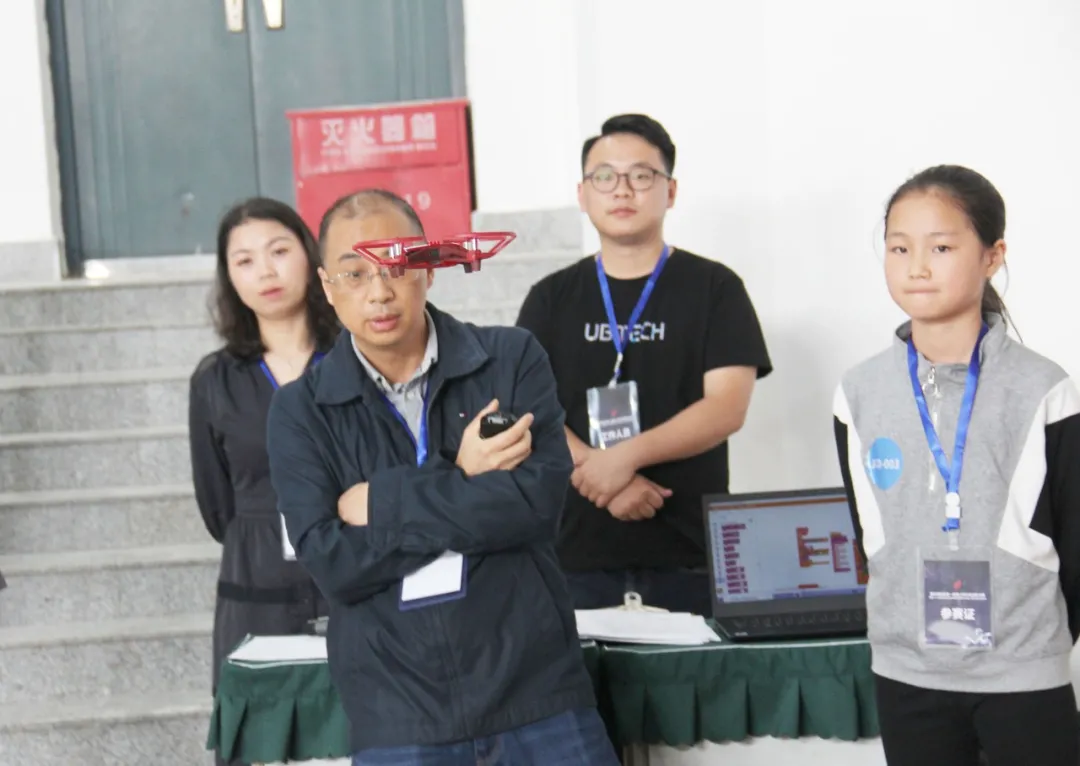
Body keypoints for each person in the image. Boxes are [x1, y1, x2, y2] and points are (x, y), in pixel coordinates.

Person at [265, 189, 618, 765]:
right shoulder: (301, 411)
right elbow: (334, 564)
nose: (379, 292)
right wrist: (461, 473)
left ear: (428, 269)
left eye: (397, 267)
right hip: (398, 712)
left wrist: (380, 503)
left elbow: (535, 506)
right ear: (327, 287)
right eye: (354, 274)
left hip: (537, 692)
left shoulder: (509, 359)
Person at [832, 164, 1080, 766]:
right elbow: (867, 532)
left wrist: (1037, 643)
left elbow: (1075, 542)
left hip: (1023, 674)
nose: (917, 266)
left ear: (993, 256)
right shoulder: (858, 392)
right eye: (899, 248)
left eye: (941, 248)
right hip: (906, 673)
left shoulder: (1044, 388)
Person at [515, 114, 772, 615]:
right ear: (582, 194)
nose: (622, 190)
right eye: (604, 176)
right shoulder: (550, 297)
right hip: (573, 558)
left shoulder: (715, 288)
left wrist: (621, 459)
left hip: (691, 557)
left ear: (670, 191)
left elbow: (726, 408)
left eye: (641, 175)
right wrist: (600, 474)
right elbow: (527, 406)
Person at [188, 197, 340, 766]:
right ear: (229, 278)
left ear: (309, 254)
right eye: (245, 260)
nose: (266, 272)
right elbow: (216, 505)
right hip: (255, 590)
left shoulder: (353, 358)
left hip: (351, 578)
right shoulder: (216, 380)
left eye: (279, 251)